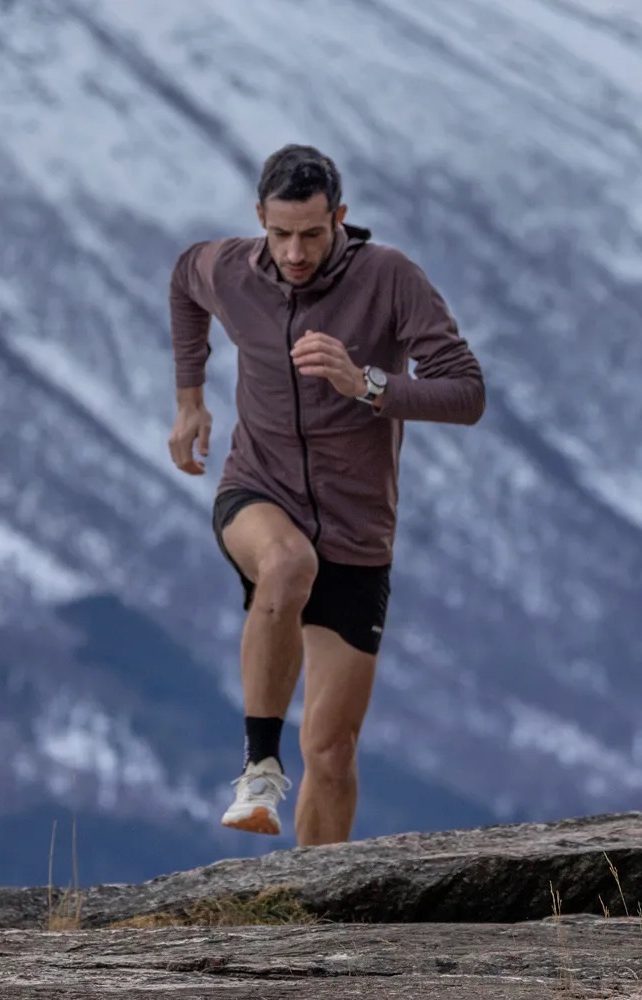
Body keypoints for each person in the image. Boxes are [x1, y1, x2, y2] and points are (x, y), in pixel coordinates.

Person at [165, 143, 486, 847]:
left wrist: (366, 384)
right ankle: (257, 767)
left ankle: (313, 915)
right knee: (285, 566)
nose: (296, 252)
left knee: (333, 754)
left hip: (356, 529)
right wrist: (190, 399)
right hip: (259, 491)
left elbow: (467, 394)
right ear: (260, 219)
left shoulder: (389, 278)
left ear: (340, 217)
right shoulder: (230, 268)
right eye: (281, 234)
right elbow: (184, 282)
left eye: (312, 233)